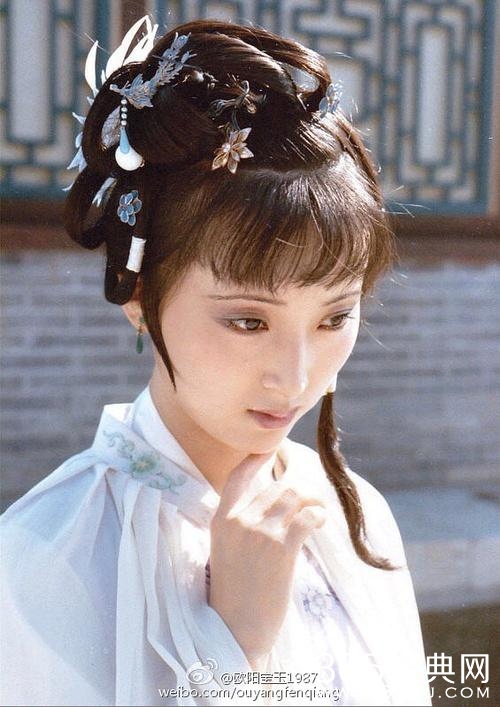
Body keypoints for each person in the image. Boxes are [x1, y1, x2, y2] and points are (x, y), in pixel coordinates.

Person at [0, 16, 432, 707]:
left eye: (334, 317)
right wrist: (236, 646)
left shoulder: (354, 513)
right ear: (140, 296)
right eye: (248, 320)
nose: (296, 377)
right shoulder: (44, 562)